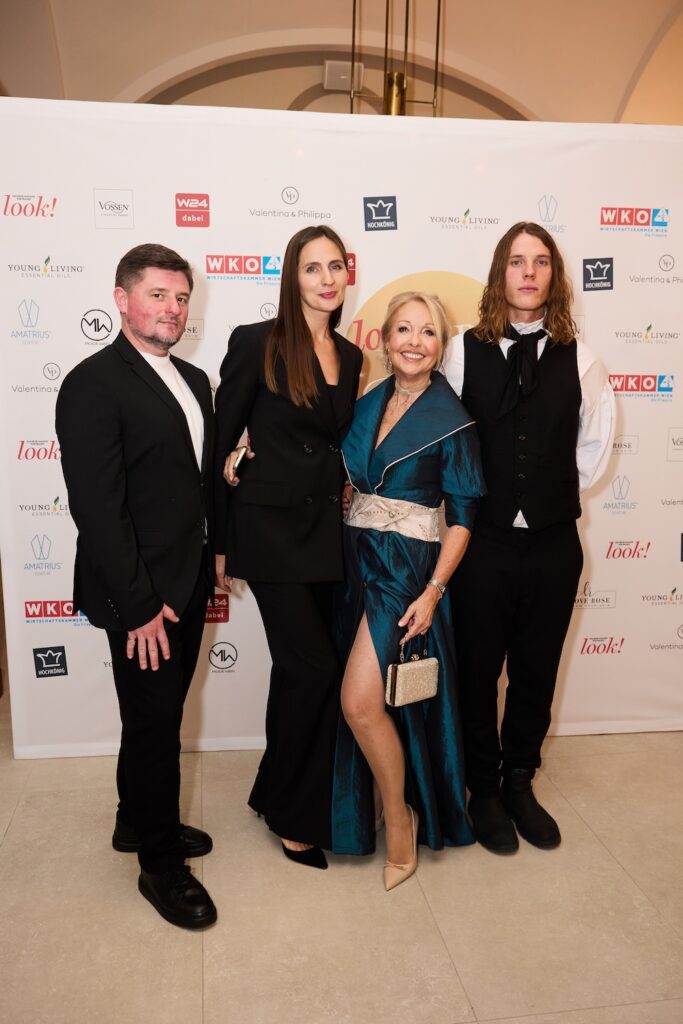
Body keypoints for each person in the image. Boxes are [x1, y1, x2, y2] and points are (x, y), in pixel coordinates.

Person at [55, 243, 218, 929]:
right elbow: (98, 509)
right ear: (122, 299)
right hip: (140, 596)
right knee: (154, 727)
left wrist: (214, 553)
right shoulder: (92, 383)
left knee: (158, 717)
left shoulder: (194, 379)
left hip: (187, 580)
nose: (172, 309)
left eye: (180, 298)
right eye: (157, 295)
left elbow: (193, 484)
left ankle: (136, 819)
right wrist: (140, 608)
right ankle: (159, 864)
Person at [443, 222, 615, 855]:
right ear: (500, 273)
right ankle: (483, 790)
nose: (529, 272)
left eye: (541, 262)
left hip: (552, 543)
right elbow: (443, 435)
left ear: (554, 277)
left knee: (537, 670)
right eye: (517, 261)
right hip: (480, 544)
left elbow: (593, 450)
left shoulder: (583, 359)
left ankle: (519, 782)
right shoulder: (461, 350)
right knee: (478, 670)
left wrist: (544, 495)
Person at [214, 225, 363, 870]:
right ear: (292, 277)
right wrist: (220, 543)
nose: (326, 279)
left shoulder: (351, 357)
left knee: (298, 672)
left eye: (335, 267)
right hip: (269, 533)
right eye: (312, 268)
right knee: (313, 670)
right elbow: (219, 444)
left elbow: (337, 445)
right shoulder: (257, 342)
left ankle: (271, 790)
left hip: (325, 536)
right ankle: (293, 817)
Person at [332, 291, 486, 891]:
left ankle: (400, 818)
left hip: (403, 572)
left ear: (440, 346)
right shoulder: (368, 402)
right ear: (385, 338)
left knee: (359, 702)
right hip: (353, 560)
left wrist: (433, 592)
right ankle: (371, 803)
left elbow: (463, 518)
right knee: (362, 702)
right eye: (404, 329)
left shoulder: (454, 420)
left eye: (427, 332)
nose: (414, 342)